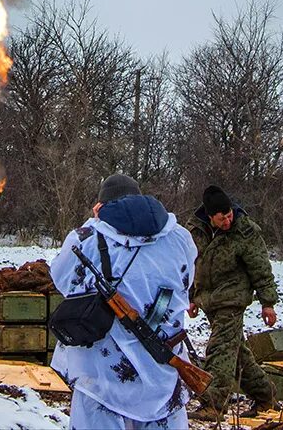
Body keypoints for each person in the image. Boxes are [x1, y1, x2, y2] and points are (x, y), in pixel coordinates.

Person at [49, 175, 198, 429]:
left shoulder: (87, 237)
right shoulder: (180, 237)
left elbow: (62, 280)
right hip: (162, 368)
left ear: (101, 205)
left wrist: (94, 221)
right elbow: (186, 281)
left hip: (103, 374)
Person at [188, 185, 279, 421]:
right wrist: (191, 297)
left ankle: (214, 403)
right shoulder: (195, 230)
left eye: (229, 215)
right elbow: (189, 265)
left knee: (220, 349)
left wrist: (267, 302)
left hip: (233, 298)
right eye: (222, 218)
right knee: (236, 354)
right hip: (208, 298)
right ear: (210, 217)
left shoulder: (244, 231)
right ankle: (265, 396)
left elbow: (260, 267)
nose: (228, 220)